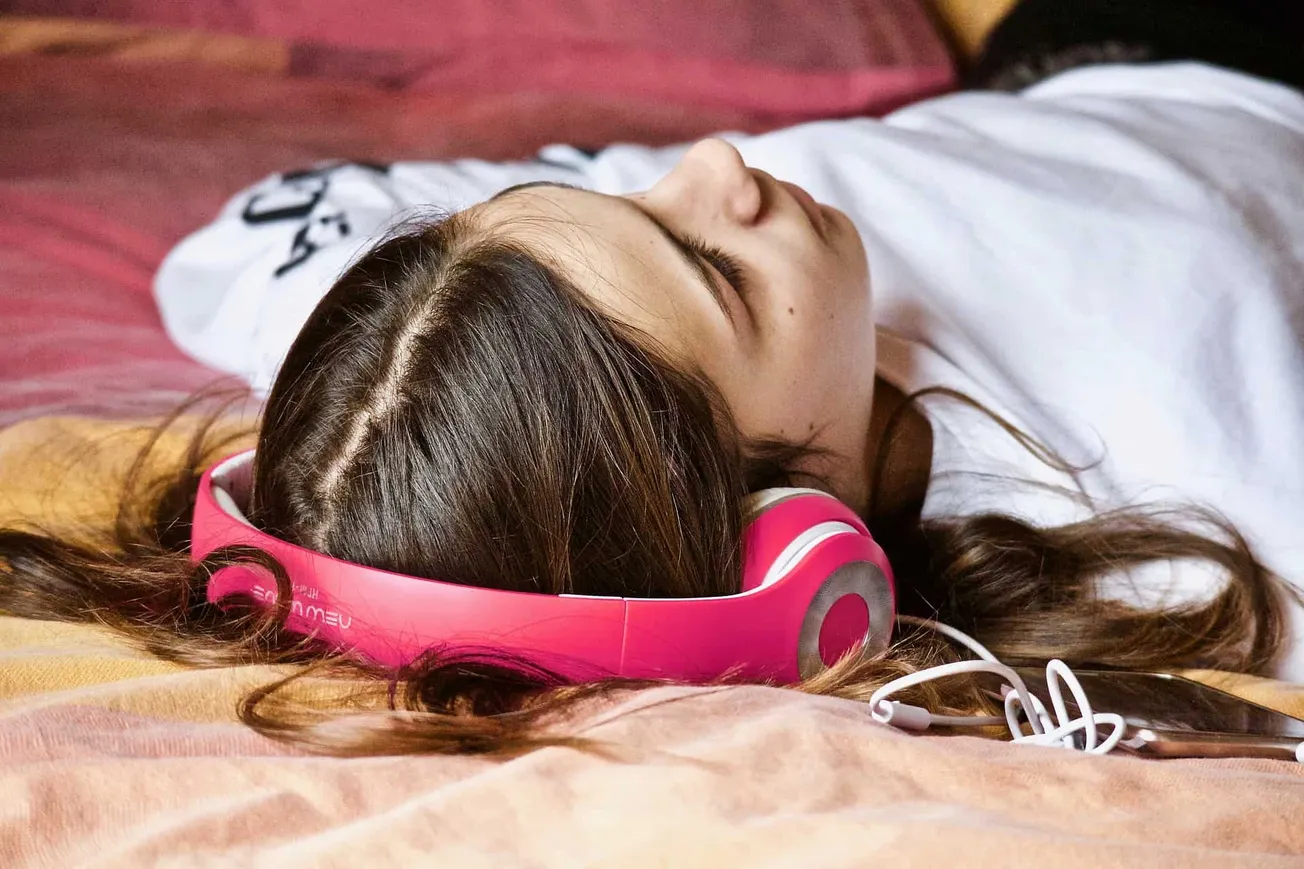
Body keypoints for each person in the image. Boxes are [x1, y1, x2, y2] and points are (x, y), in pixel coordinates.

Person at [4, 0, 1304, 757]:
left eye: (615, 200)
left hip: (1083, 46)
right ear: (798, 537)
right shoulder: (1223, 503)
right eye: (715, 274)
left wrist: (401, 435)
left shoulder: (492, 323)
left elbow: (241, 242)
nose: (719, 166)